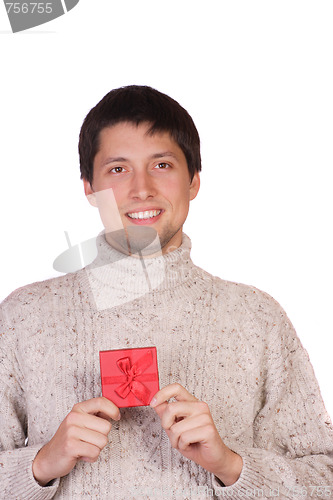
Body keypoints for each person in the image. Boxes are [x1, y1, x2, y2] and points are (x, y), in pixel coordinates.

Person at [0, 85, 332, 499]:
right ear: (89, 186)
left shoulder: (256, 317)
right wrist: (40, 465)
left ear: (193, 181)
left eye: (161, 164)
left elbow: (325, 479)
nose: (142, 189)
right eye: (118, 169)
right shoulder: (23, 315)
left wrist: (231, 466)